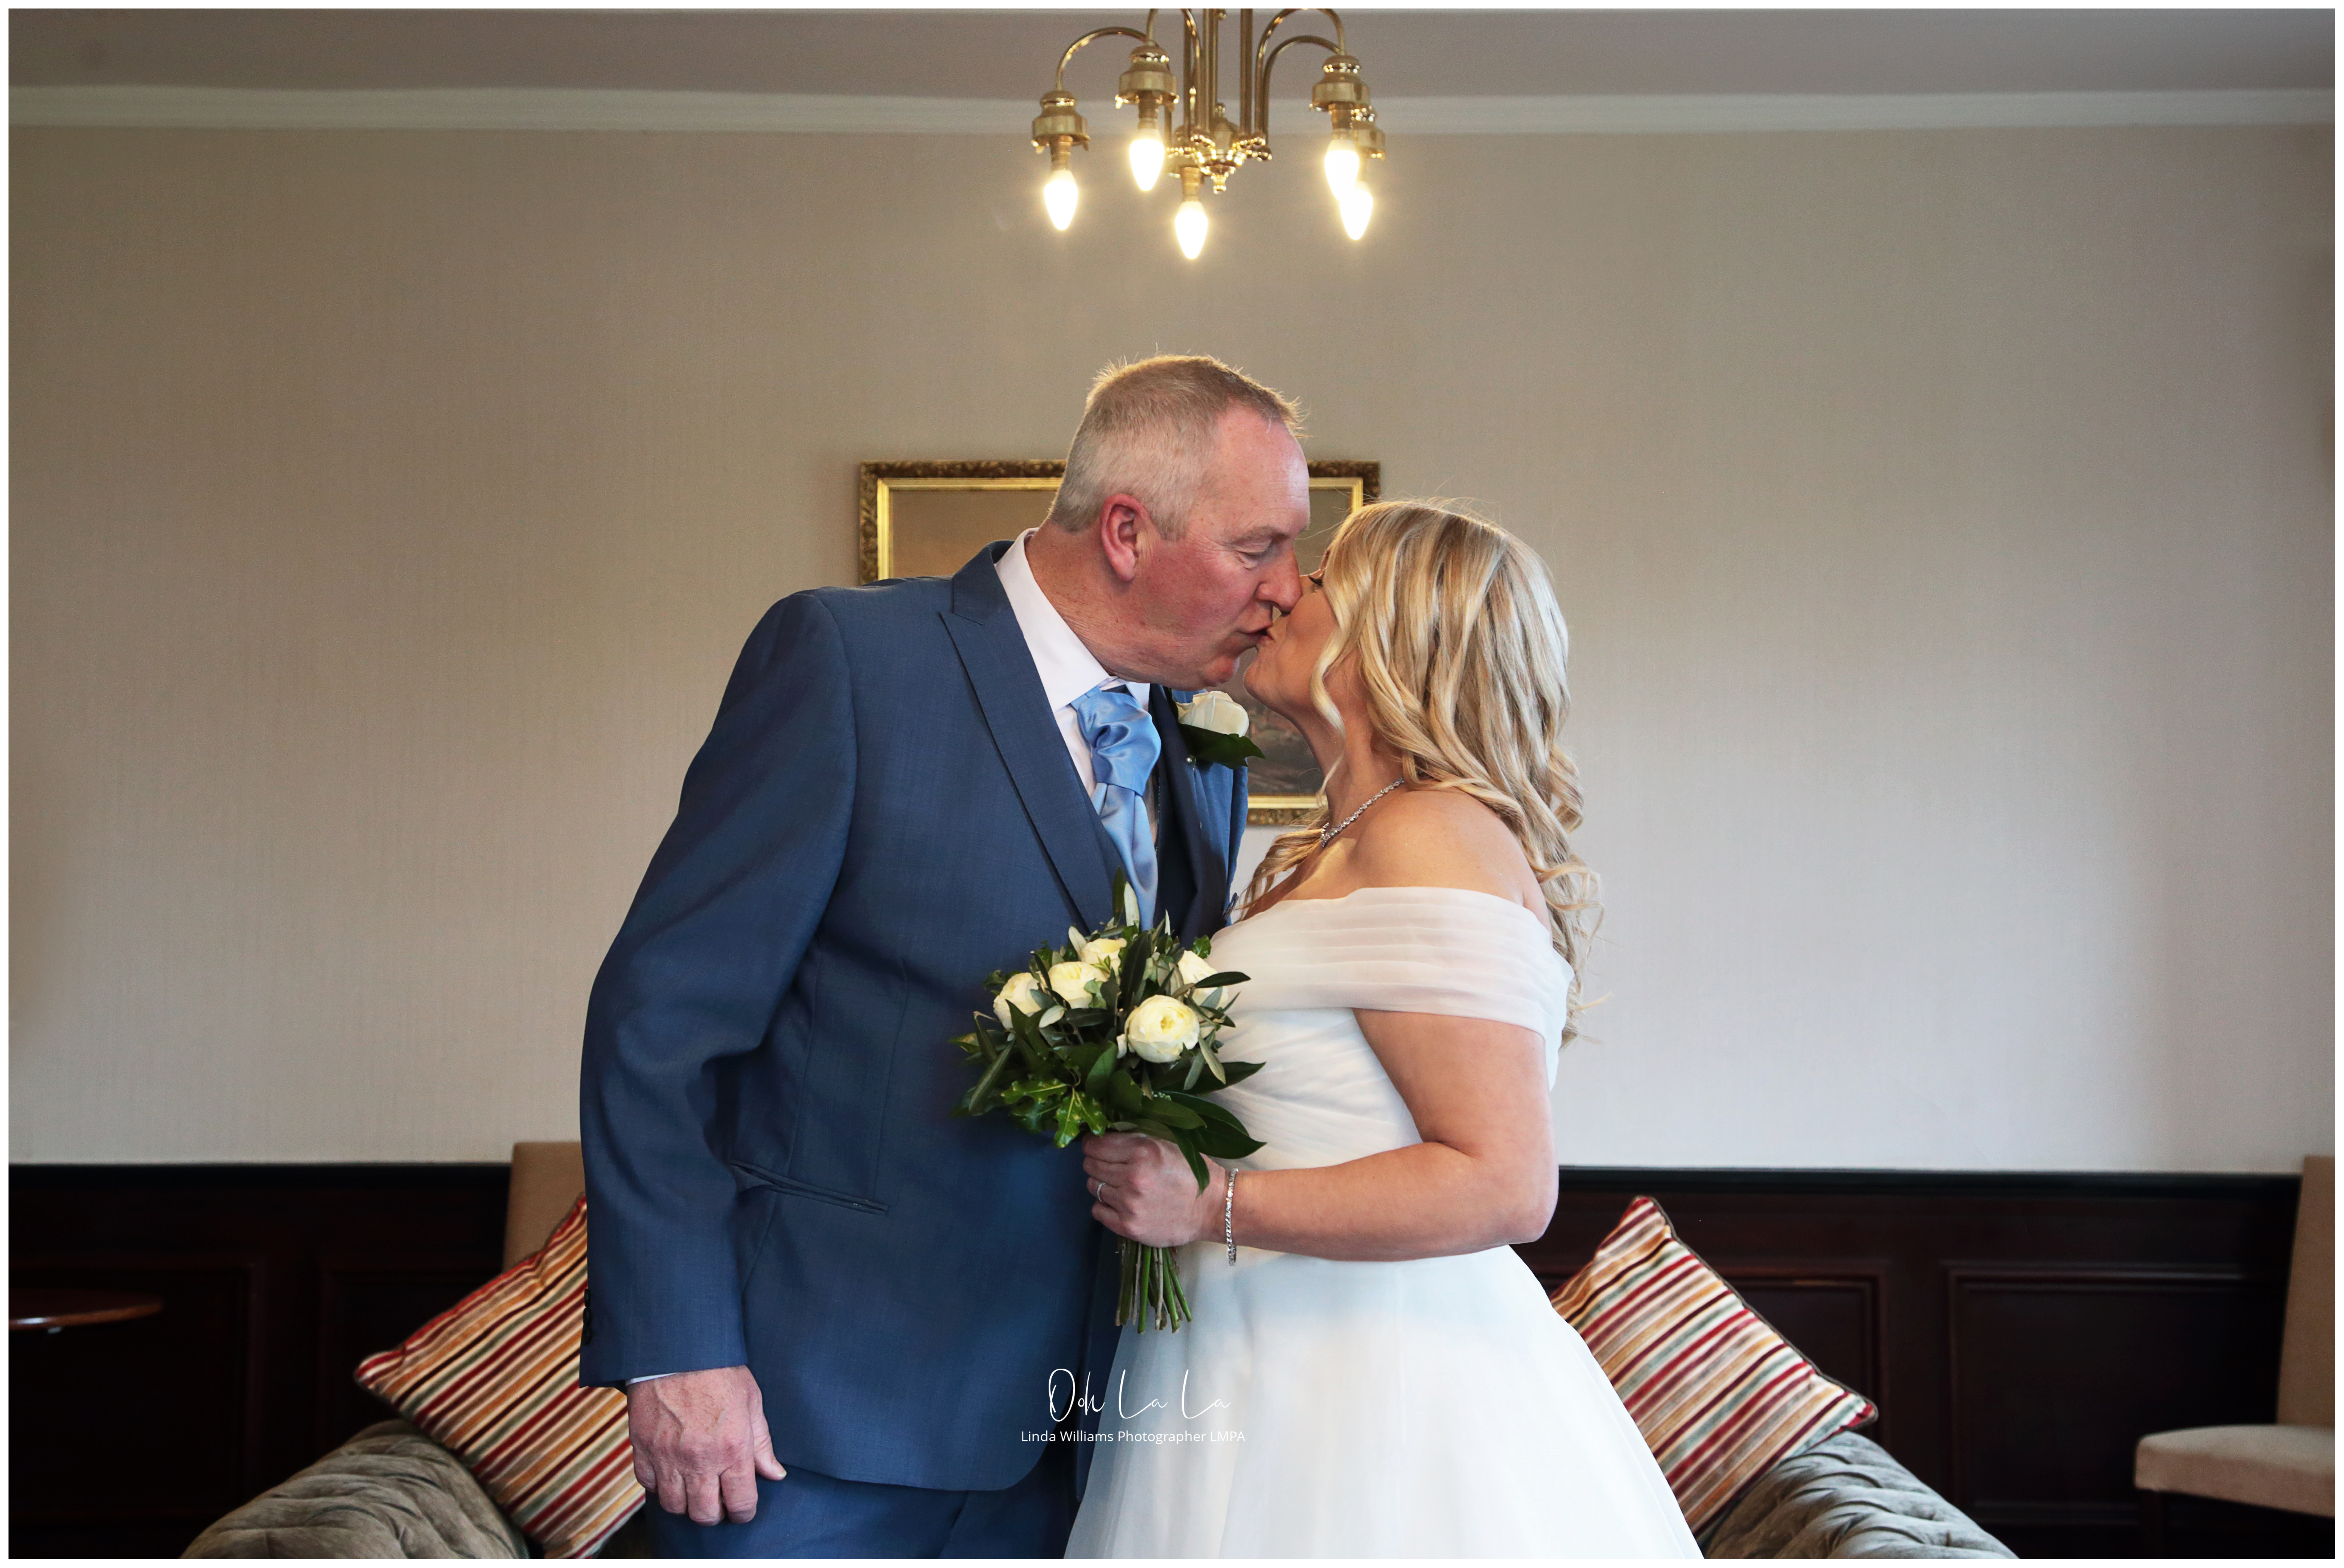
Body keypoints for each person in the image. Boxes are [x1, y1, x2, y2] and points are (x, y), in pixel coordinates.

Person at [576, 354, 1312, 1556]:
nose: (1286, 590)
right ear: (1127, 531)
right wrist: (677, 1347)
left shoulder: (1200, 747)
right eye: (1259, 548)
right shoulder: (853, 662)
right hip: (810, 1421)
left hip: (1082, 1431)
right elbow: (661, 1023)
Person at [1067, 501, 1702, 1557]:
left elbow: (1506, 1183)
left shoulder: (1433, 834)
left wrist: (1212, 1201)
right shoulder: (1342, 840)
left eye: (1314, 582)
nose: (1279, 594)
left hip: (1372, 1385)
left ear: (1388, 636)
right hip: (1244, 1348)